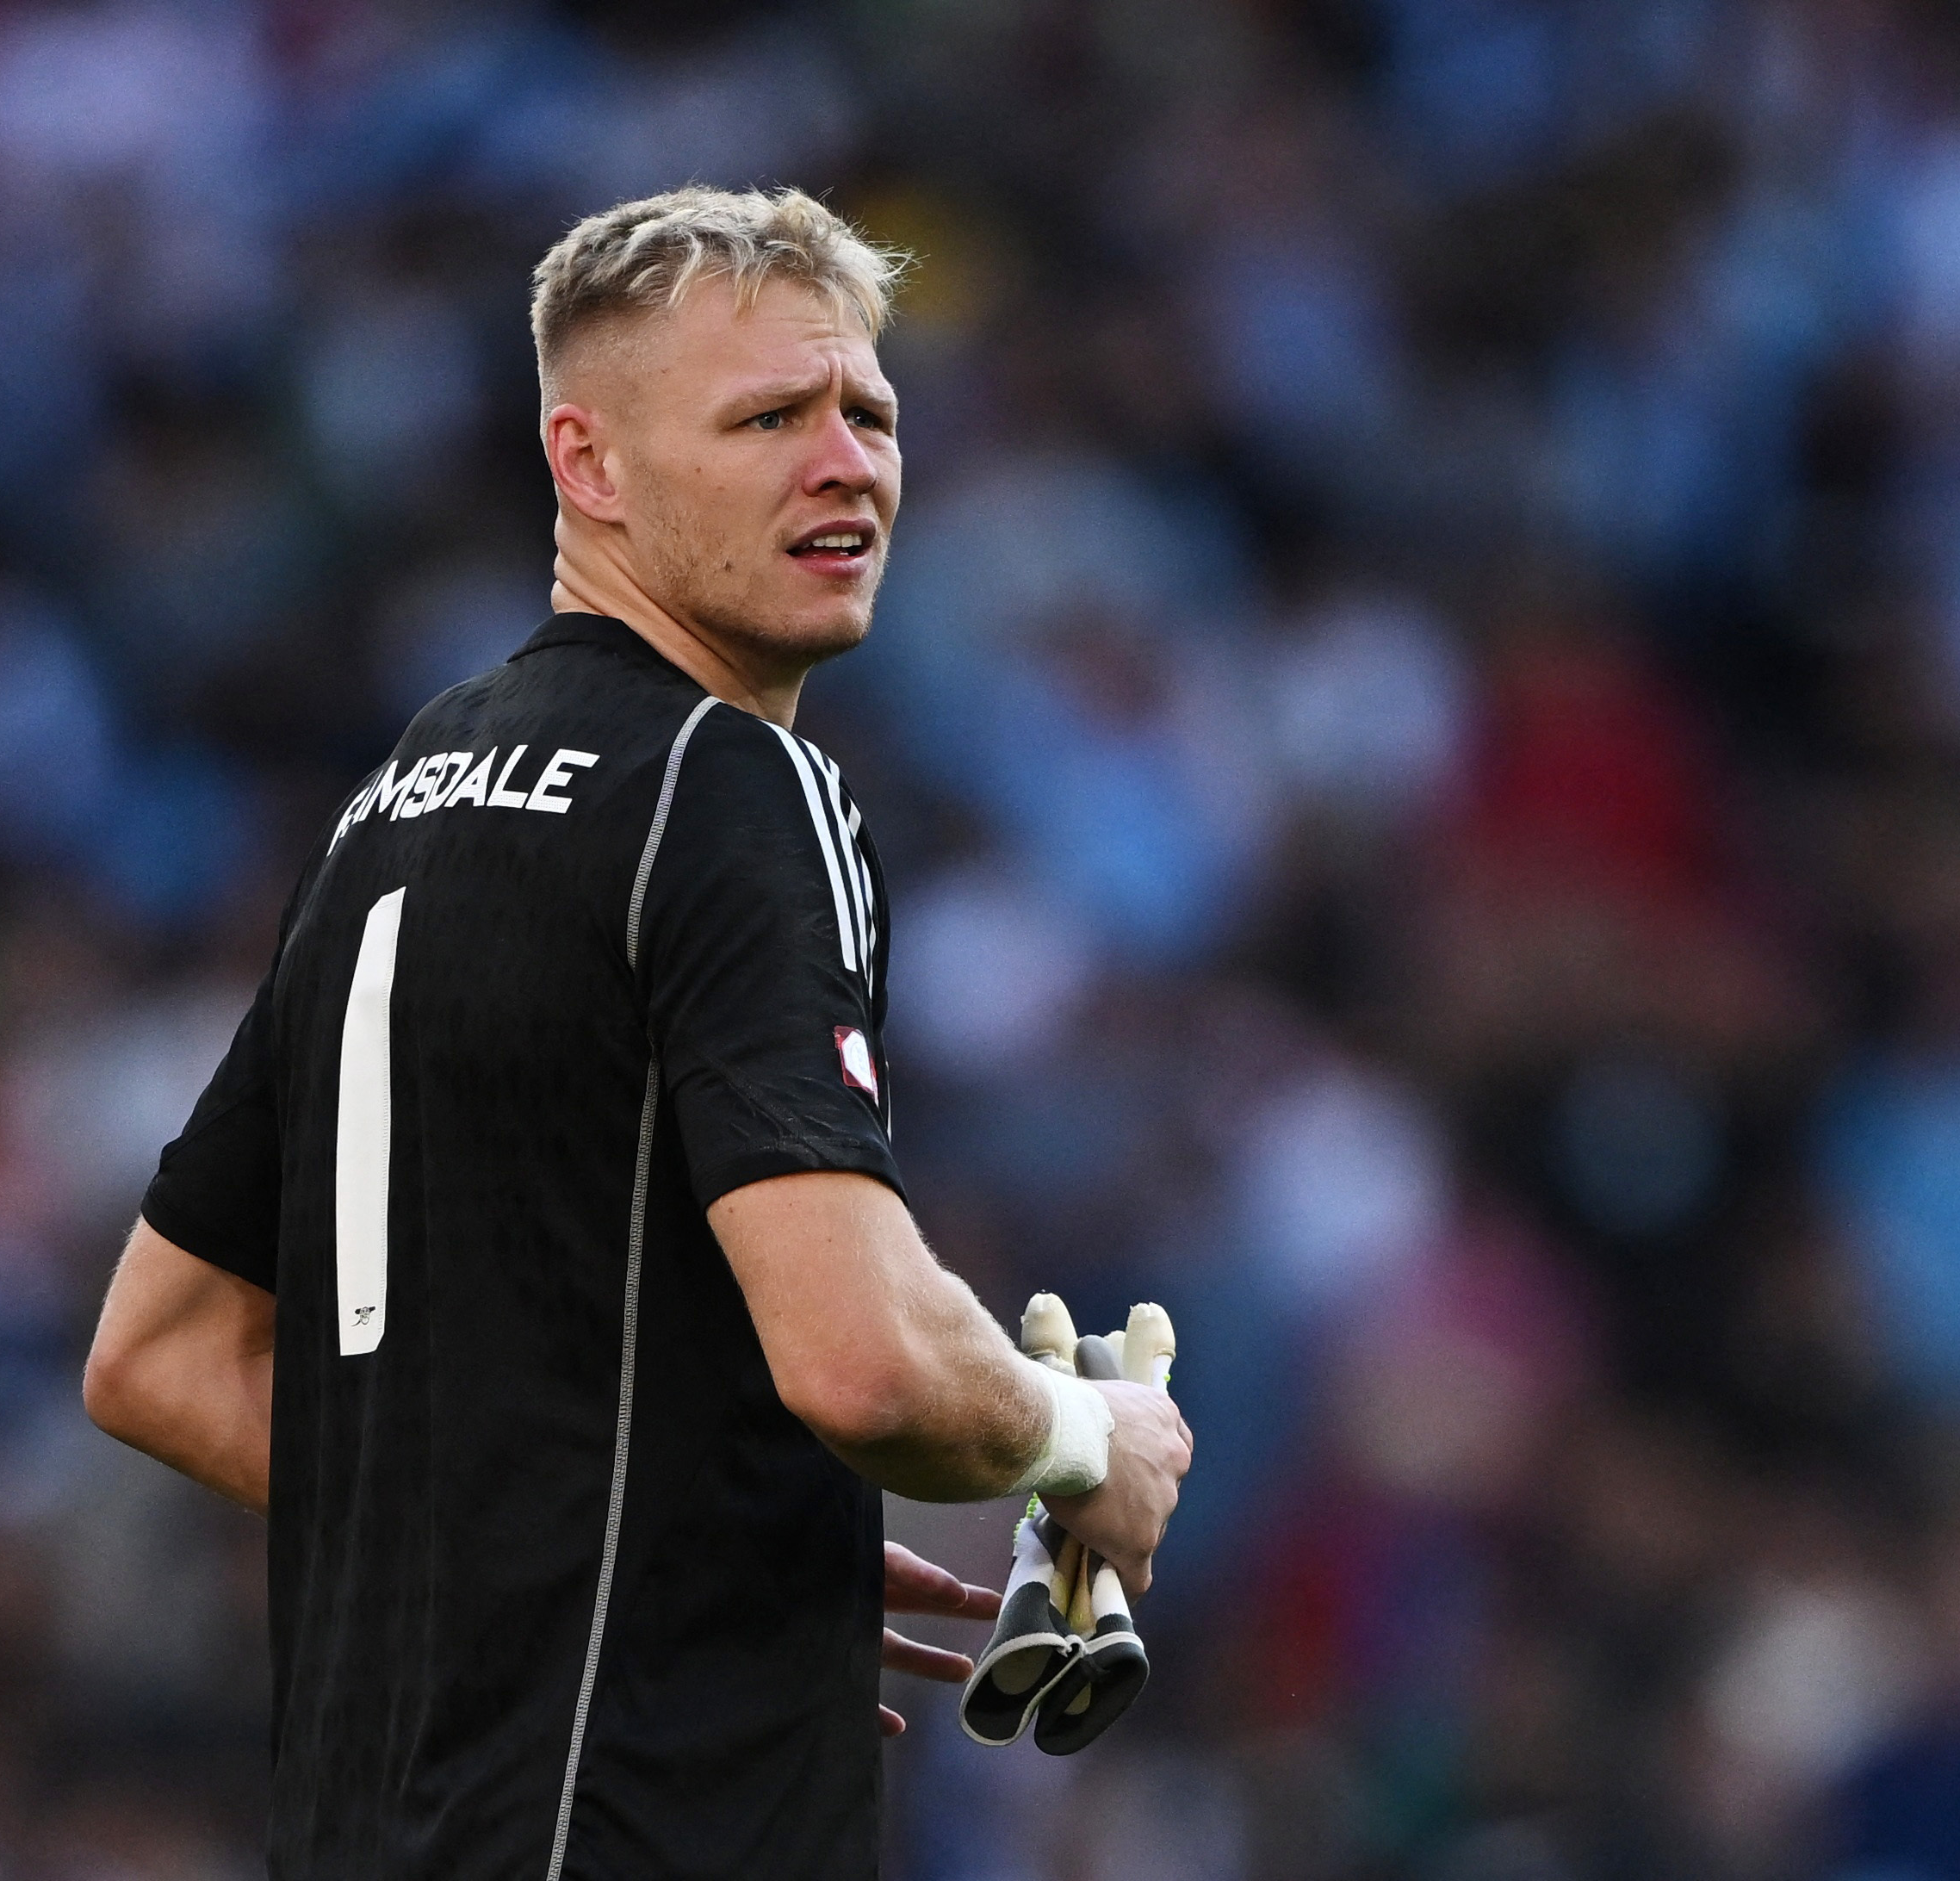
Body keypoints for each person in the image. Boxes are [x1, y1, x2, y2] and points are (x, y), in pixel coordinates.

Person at [79, 186, 1193, 1879]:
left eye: (870, 413)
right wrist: (1080, 1438)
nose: (849, 464)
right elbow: (863, 1361)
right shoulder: (732, 785)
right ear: (589, 466)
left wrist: (663, 1550)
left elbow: (158, 1357)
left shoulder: (402, 799)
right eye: (769, 419)